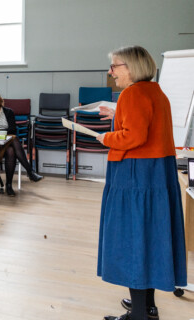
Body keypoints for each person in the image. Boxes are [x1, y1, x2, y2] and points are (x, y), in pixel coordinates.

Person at [95, 45, 186, 320]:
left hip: (135, 175)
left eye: (115, 66)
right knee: (150, 236)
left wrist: (105, 137)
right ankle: (146, 307)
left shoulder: (132, 93)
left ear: (131, 67)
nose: (111, 73)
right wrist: (117, 117)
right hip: (157, 173)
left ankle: (138, 316)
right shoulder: (156, 92)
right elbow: (146, 123)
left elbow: (133, 137)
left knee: (132, 238)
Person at [0, 89, 43, 196]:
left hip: (6, 140)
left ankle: (9, 185)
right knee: (14, 140)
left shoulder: (8, 112)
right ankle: (30, 172)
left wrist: (1, 132)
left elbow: (12, 130)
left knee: (11, 150)